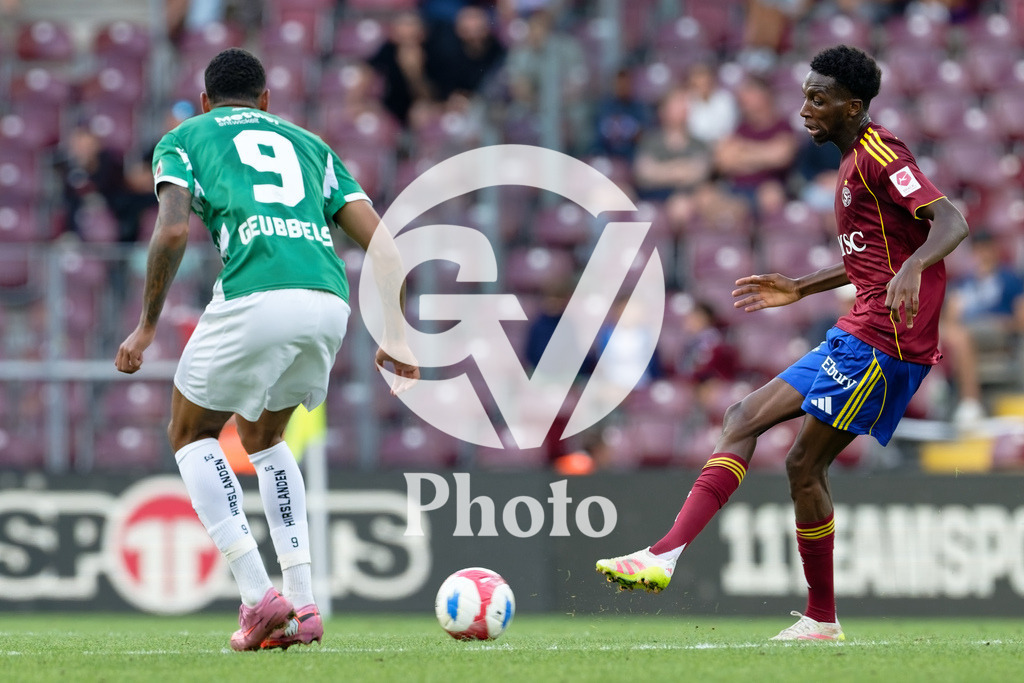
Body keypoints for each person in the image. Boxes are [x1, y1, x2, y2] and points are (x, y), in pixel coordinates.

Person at [596, 44, 969, 641]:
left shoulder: (880, 152)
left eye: (817, 100)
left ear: (852, 106)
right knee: (744, 415)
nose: (804, 110)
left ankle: (821, 617)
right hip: (857, 329)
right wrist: (801, 285)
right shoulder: (849, 162)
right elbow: (872, 259)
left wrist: (912, 270)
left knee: (803, 463)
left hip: (886, 341)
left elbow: (952, 222)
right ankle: (664, 555)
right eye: (803, 96)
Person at [114, 48, 418, 651]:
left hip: (256, 293)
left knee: (190, 433)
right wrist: (398, 335)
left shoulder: (183, 138)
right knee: (264, 439)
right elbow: (385, 245)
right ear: (266, 102)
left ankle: (258, 595)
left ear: (205, 101)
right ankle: (305, 605)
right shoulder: (312, 145)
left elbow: (173, 228)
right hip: (328, 301)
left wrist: (147, 325)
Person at [941, 232, 1024, 427]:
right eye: (978, 249)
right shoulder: (963, 282)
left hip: (995, 328)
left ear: (995, 250)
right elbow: (950, 318)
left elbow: (1020, 319)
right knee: (954, 334)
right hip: (963, 329)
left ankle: (970, 402)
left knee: (960, 336)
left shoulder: (1009, 279)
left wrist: (1003, 322)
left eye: (986, 248)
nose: (982, 254)